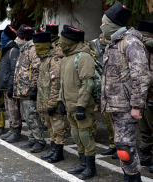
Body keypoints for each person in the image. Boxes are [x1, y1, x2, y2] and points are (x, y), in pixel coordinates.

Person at [100, 2, 151, 180]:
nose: (101, 26)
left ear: (113, 24)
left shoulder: (131, 43)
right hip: (115, 106)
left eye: (104, 23)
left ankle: (133, 178)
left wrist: (136, 105)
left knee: (124, 149)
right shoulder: (113, 43)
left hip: (127, 107)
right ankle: (129, 176)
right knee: (122, 145)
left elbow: (142, 76)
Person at [58, 24, 96, 179]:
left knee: (85, 136)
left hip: (82, 107)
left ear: (70, 41)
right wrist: (61, 101)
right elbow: (63, 83)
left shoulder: (84, 57)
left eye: (63, 41)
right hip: (69, 106)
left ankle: (91, 167)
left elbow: (88, 83)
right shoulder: (67, 58)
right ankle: (82, 163)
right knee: (76, 135)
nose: (60, 43)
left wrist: (81, 105)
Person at [13, 24, 46, 153]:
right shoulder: (24, 49)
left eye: (18, 38)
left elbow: (36, 70)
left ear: (24, 38)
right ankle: (32, 138)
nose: (17, 40)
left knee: (33, 116)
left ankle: (39, 140)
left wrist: (33, 88)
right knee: (28, 115)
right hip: (22, 90)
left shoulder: (33, 50)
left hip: (29, 90)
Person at [34, 31, 64, 163]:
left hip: (52, 102)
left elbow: (56, 84)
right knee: (51, 127)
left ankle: (59, 151)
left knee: (57, 127)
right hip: (44, 101)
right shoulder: (44, 59)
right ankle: (53, 148)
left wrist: (52, 103)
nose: (36, 49)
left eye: (38, 46)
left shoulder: (54, 60)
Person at [0, 25, 22, 142]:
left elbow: (14, 70)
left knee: (13, 110)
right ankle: (11, 129)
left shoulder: (13, 50)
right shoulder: (6, 50)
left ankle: (16, 131)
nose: (1, 37)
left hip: (9, 86)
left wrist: (11, 85)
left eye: (4, 35)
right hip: (5, 86)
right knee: (8, 110)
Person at [137, 20, 153, 173]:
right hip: (143, 94)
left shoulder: (147, 45)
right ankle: (147, 154)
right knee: (145, 128)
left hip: (150, 93)